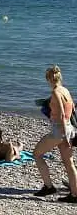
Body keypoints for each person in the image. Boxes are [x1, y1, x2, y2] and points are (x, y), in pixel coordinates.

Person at [33, 65, 77, 201]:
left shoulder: (56, 92)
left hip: (60, 131)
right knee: (69, 163)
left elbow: (63, 114)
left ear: (49, 79)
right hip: (70, 129)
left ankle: (49, 186)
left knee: (37, 154)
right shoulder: (66, 90)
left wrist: (64, 134)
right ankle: (75, 195)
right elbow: (72, 109)